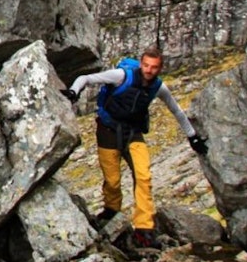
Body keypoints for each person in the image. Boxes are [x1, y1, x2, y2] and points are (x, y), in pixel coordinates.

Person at [63, 47, 208, 249]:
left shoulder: (159, 87)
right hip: (108, 130)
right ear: (141, 63)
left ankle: (144, 228)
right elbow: (86, 78)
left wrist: (192, 137)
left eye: (154, 67)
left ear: (159, 68)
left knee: (143, 177)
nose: (149, 70)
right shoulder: (121, 76)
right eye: (146, 65)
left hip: (133, 133)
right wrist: (73, 92)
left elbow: (177, 111)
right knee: (112, 180)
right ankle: (111, 210)